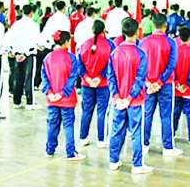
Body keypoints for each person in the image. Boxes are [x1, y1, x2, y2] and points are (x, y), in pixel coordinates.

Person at [107, 18, 151, 174]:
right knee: (136, 132)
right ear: (137, 32)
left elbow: (110, 77)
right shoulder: (141, 54)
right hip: (135, 101)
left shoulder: (114, 53)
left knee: (116, 130)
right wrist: (130, 97)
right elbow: (140, 78)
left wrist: (116, 96)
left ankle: (113, 161)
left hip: (119, 100)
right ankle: (137, 165)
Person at [139, 13, 180, 157]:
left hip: (148, 85)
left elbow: (140, 65)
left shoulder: (143, 42)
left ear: (153, 25)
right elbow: (171, 65)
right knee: (166, 115)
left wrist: (147, 81)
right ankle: (168, 147)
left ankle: (144, 145)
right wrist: (160, 81)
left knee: (147, 114)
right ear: (165, 26)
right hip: (165, 84)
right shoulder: (171, 42)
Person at [41, 30, 83, 161]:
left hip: (52, 99)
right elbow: (72, 79)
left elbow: (44, 77)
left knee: (52, 124)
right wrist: (62, 93)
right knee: (68, 125)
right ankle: (71, 152)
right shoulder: (72, 58)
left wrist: (49, 92)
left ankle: (49, 150)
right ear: (66, 42)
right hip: (67, 100)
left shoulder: (47, 58)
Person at [77, 19, 113, 148]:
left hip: (87, 84)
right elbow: (111, 64)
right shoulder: (110, 45)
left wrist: (87, 77)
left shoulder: (84, 45)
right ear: (104, 30)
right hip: (103, 84)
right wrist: (100, 76)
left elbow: (79, 64)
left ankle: (83, 137)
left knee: (86, 110)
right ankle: (101, 139)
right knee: (102, 112)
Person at [3, 4, 39, 110]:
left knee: (18, 78)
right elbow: (36, 41)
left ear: (22, 12)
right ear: (31, 13)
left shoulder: (16, 25)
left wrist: (14, 52)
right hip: (29, 55)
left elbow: (10, 39)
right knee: (29, 79)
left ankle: (17, 102)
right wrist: (26, 53)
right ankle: (29, 102)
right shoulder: (34, 25)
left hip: (17, 55)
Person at [173, 25, 190, 144]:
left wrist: (177, 83)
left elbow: (172, 69)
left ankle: (172, 133)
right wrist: (187, 84)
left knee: (175, 111)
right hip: (189, 89)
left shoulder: (174, 52)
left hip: (176, 88)